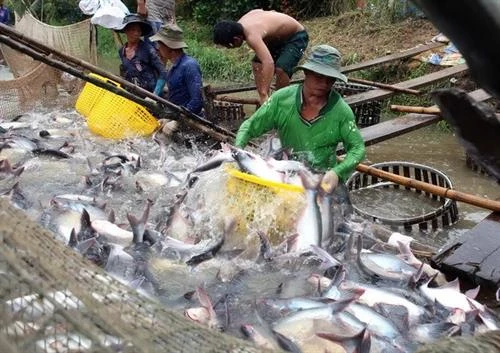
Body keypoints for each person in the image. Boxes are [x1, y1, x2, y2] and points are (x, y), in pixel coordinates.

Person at [235, 45, 366, 185]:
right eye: (319, 76)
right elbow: (249, 127)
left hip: (321, 180)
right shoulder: (281, 100)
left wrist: (337, 172)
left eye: (330, 79)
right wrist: (238, 153)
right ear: (307, 73)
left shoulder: (341, 112)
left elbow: (358, 149)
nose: (324, 83)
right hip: (286, 172)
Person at [213, 9, 309, 105]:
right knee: (257, 64)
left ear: (236, 39)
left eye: (229, 46)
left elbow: (269, 63)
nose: (229, 48)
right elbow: (261, 11)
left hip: (296, 36)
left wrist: (263, 91)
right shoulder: (240, 24)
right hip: (277, 39)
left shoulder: (251, 35)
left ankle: (281, 103)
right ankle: (265, 101)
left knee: (281, 68)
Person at [150, 23, 204, 116]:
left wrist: (181, 118)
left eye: (160, 45)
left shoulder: (189, 66)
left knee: (167, 128)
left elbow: (197, 100)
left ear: (170, 47)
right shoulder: (173, 66)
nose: (158, 48)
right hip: (175, 113)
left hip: (188, 116)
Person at [118, 14, 168, 95]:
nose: (136, 33)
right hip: (132, 93)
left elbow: (163, 72)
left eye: (138, 31)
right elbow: (125, 72)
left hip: (150, 94)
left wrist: (155, 95)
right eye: (133, 30)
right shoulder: (122, 51)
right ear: (126, 30)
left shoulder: (148, 49)